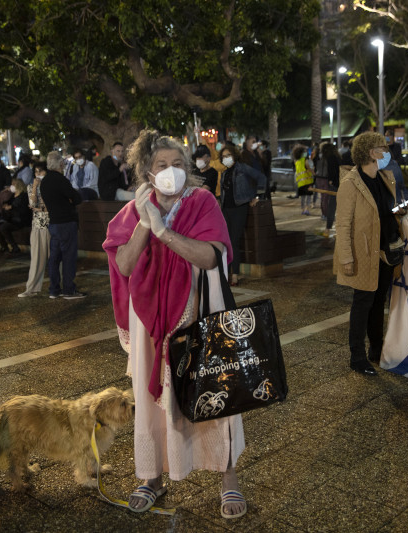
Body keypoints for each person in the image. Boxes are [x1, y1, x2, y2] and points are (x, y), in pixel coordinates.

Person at [103, 128, 247, 519]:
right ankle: (152, 477)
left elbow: (208, 257)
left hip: (198, 316)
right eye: (162, 166)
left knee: (215, 394)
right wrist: (146, 225)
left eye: (178, 164)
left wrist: (165, 232)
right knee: (151, 405)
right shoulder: (133, 211)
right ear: (147, 173)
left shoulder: (202, 202)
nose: (172, 171)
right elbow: (125, 265)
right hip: (151, 325)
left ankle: (228, 477)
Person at [334, 132, 407, 376]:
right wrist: (346, 258)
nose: (386, 151)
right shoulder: (351, 183)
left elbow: (387, 210)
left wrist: (401, 210)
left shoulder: (385, 177)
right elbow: (342, 224)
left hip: (386, 250)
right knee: (362, 303)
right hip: (364, 253)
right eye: (381, 148)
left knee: (379, 302)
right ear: (369, 152)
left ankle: (377, 349)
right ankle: (357, 356)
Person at [218, 143, 265, 286]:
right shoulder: (225, 173)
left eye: (228, 155)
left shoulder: (242, 168)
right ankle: (226, 273)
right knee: (225, 242)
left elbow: (261, 177)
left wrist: (257, 196)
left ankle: (235, 275)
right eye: (224, 156)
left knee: (234, 241)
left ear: (234, 155)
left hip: (239, 208)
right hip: (226, 209)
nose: (226, 158)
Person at [41, 151, 86, 299]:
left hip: (53, 223)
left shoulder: (45, 181)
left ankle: (54, 289)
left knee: (54, 258)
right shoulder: (61, 180)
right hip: (66, 222)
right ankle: (68, 289)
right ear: (60, 164)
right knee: (68, 257)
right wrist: (70, 200)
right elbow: (76, 198)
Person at [19, 162, 50, 297]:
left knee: (55, 258)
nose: (39, 175)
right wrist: (34, 188)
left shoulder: (50, 186)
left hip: (50, 225)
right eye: (36, 172)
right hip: (37, 225)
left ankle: (59, 286)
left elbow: (47, 206)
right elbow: (32, 204)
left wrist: (41, 207)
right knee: (36, 259)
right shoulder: (31, 186)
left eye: (41, 172)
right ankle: (31, 288)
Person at [0, 179, 31, 254]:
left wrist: (11, 207)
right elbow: (8, 203)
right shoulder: (13, 196)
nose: (11, 186)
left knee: (3, 227)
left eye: (13, 185)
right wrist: (6, 205)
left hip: (20, 220)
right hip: (11, 219)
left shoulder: (24, 196)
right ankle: (4, 246)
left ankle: (15, 247)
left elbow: (23, 210)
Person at [317, 143, 341, 237]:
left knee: (332, 207)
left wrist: (331, 181)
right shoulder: (337, 156)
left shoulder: (330, 158)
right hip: (341, 183)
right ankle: (339, 229)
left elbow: (332, 171)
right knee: (340, 208)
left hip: (334, 185)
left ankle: (328, 229)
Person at [292, 144, 314, 215]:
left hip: (300, 183)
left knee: (302, 197)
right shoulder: (305, 160)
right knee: (308, 196)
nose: (306, 152)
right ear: (301, 152)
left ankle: (303, 209)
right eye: (304, 151)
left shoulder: (296, 161)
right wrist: (314, 173)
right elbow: (309, 168)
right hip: (307, 181)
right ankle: (307, 209)